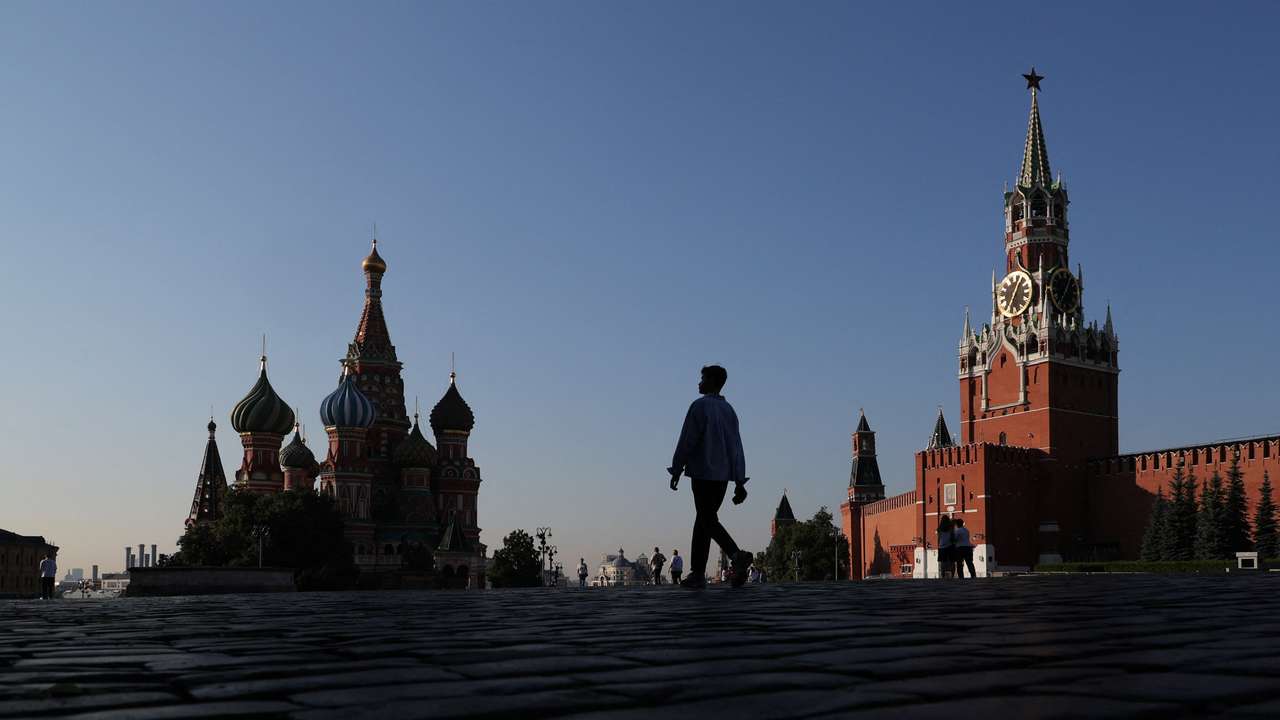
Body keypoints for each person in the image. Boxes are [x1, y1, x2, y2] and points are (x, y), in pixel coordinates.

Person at [668, 365, 753, 589]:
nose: (699, 382)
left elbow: (687, 440)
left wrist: (677, 468)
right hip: (723, 476)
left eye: (703, 378)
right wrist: (739, 480)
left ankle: (736, 555)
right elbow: (736, 447)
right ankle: (697, 571)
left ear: (713, 381)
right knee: (704, 519)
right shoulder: (729, 411)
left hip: (703, 472)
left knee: (706, 520)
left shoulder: (699, 407)